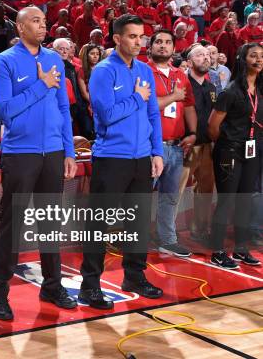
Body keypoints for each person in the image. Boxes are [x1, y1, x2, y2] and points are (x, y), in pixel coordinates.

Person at [0, 6, 77, 321]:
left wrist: (69, 150)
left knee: (51, 222)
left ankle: (52, 285)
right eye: (36, 21)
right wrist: (40, 85)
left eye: (44, 21)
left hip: (53, 151)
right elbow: (6, 110)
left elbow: (64, 109)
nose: (43, 26)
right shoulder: (3, 62)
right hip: (20, 152)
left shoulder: (55, 59)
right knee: (11, 225)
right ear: (20, 26)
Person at [80, 15, 164, 310]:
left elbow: (154, 114)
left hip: (142, 158)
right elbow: (106, 115)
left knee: (138, 222)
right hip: (112, 158)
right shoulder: (102, 71)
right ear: (117, 39)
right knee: (99, 224)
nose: (139, 42)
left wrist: (157, 152)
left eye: (142, 36)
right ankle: (89, 286)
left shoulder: (145, 70)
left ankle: (134, 277)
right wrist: (137, 98)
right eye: (132, 36)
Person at [207, 43, 263, 268]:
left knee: (244, 201)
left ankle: (240, 249)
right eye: (253, 56)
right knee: (227, 201)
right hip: (230, 151)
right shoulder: (230, 91)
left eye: (261, 56)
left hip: (253, 151)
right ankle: (217, 251)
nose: (259, 59)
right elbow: (212, 127)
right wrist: (228, 144)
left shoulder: (260, 90)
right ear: (242, 59)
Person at [148, 30, 197, 257]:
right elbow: (143, 105)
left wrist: (193, 132)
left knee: (170, 196)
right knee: (139, 195)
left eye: (168, 42)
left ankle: (167, 239)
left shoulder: (181, 75)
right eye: (158, 42)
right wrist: (173, 97)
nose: (163, 46)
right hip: (150, 145)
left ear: (174, 49)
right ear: (150, 46)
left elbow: (188, 105)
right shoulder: (143, 70)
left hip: (176, 145)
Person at [177, 45, 216, 242]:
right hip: (186, 145)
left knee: (206, 190)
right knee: (177, 189)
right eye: (200, 55)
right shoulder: (182, 84)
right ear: (190, 62)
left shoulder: (212, 87)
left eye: (207, 55)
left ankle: (200, 229)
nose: (206, 58)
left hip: (207, 146)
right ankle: (165, 233)